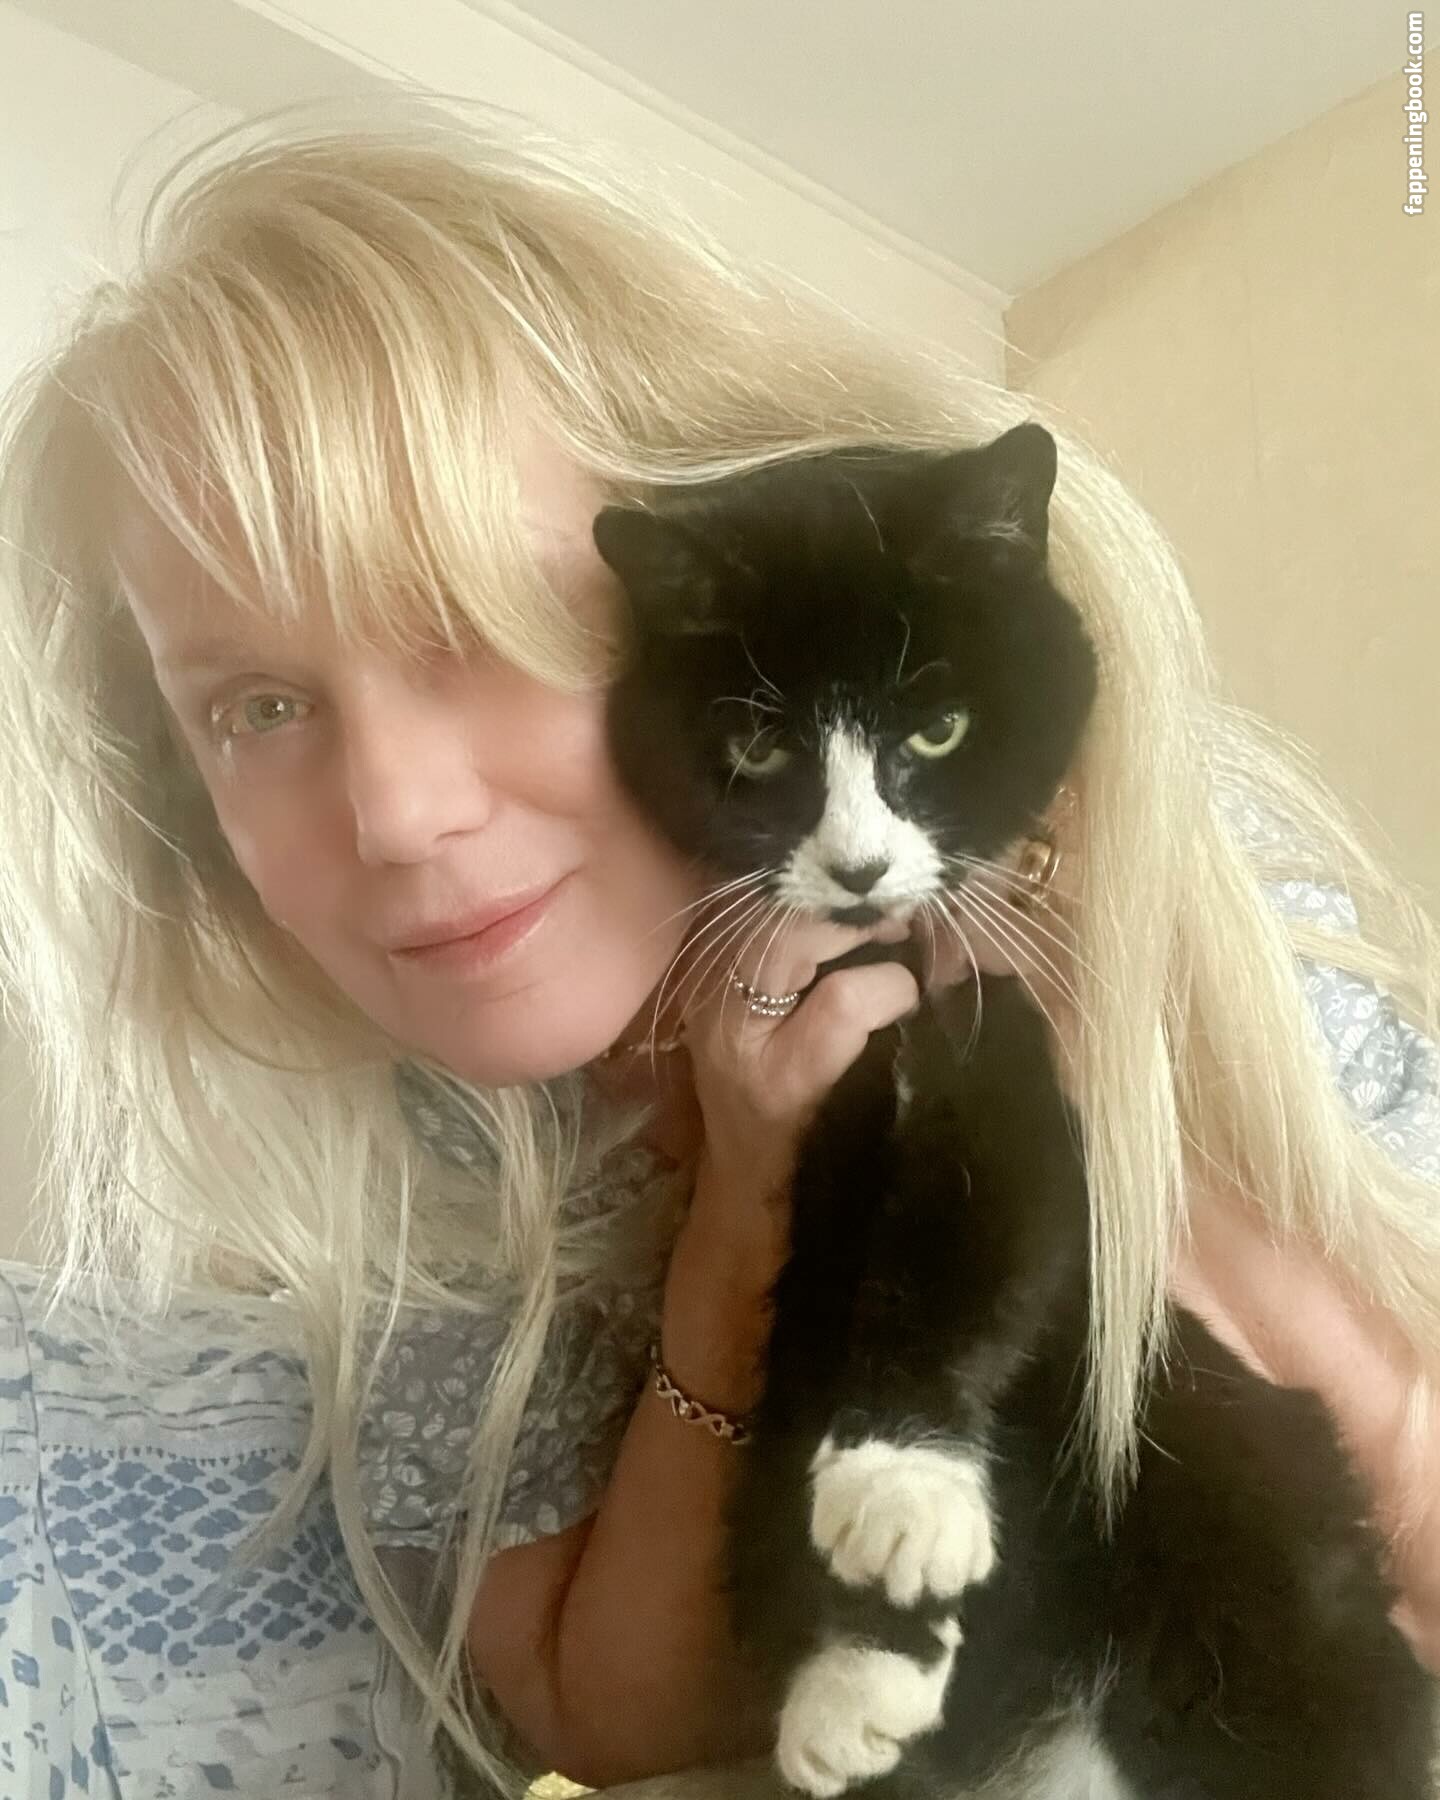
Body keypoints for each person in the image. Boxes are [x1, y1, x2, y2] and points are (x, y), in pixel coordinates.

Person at [0, 103, 1434, 1798]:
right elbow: (604, 1722)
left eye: (473, 622)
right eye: (256, 707)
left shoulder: (1147, 875)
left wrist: (1079, 1091)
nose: (392, 812)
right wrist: (749, 1202)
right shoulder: (427, 1141)